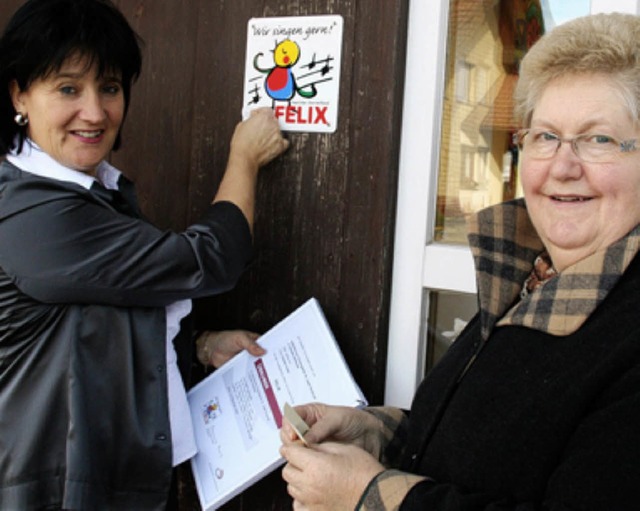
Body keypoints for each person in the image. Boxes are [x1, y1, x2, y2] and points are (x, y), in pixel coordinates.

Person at [280, 12, 640, 511]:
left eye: (598, 139)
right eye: (545, 136)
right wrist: (377, 433)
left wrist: (367, 496)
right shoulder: (532, 275)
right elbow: (493, 445)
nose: (562, 165)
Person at [0, 0, 288, 509]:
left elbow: (98, 317)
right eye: (68, 88)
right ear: (18, 93)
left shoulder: (89, 190)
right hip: (51, 489)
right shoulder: (30, 213)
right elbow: (207, 259)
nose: (95, 112)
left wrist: (198, 346)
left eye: (109, 88)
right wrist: (244, 157)